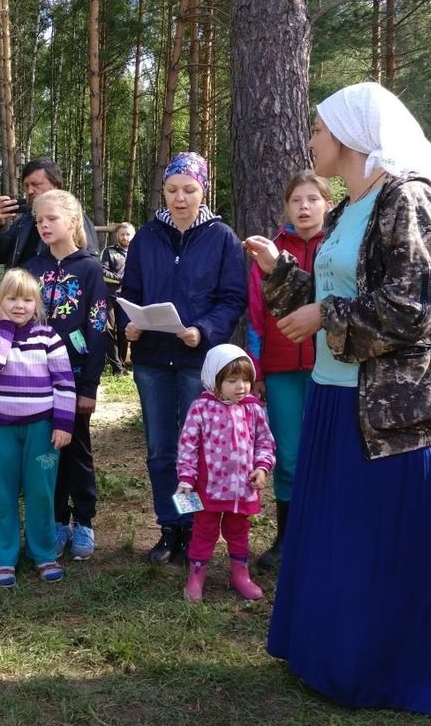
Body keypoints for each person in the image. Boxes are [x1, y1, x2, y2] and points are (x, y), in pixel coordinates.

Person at [246, 82, 431, 717]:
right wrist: (280, 272)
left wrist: (326, 314)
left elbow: (419, 305)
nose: (311, 139)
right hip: (335, 399)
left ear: (350, 135)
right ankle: (353, 657)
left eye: (318, 129)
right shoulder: (351, 207)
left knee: (404, 546)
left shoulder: (410, 199)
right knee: (347, 543)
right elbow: (332, 293)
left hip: (389, 414)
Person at [118, 151, 247, 564]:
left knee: (195, 450)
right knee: (160, 449)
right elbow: (130, 292)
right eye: (172, 189)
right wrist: (130, 324)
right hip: (152, 359)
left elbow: (233, 298)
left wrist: (203, 331)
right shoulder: (146, 237)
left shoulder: (221, 237)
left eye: (189, 190)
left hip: (197, 361)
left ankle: (194, 528)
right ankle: (169, 527)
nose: (179, 198)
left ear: (202, 190)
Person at [245, 170, 331, 572]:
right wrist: (258, 371)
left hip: (330, 368)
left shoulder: (337, 248)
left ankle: (326, 537)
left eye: (313, 199)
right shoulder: (270, 252)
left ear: (328, 204)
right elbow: (256, 316)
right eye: (296, 200)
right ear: (285, 207)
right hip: (280, 370)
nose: (304, 207)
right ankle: (287, 538)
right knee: (289, 455)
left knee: (329, 454)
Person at [0, 268, 76, 588]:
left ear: (37, 304)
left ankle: (43, 551)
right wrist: (4, 328)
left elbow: (64, 383)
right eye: (12, 299)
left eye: (27, 300)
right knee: (2, 493)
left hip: (41, 430)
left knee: (41, 491)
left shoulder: (49, 337)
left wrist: (63, 424)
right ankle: (5, 557)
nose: (20, 305)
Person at [23, 190, 108, 561]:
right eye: (39, 220)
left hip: (74, 380)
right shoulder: (31, 269)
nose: (44, 225)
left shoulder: (90, 269)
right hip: (37, 380)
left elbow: (98, 328)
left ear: (72, 221)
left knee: (77, 451)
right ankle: (57, 520)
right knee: (48, 451)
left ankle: (84, 521)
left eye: (51, 218)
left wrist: (89, 386)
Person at [175, 344, 275, 603]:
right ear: (214, 379)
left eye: (246, 380)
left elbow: (265, 442)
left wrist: (262, 467)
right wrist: (186, 478)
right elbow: (188, 445)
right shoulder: (201, 408)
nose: (241, 386)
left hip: (242, 489)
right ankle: (196, 577)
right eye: (232, 380)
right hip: (208, 489)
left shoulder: (253, 408)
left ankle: (240, 575)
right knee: (204, 531)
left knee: (239, 531)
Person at [0, 158, 100, 268]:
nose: (29, 191)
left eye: (35, 184)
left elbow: (89, 265)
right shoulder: (24, 221)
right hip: (18, 282)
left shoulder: (74, 220)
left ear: (55, 186)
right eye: (26, 186)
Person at [101, 222, 135, 375]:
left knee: (124, 330)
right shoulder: (109, 251)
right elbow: (103, 272)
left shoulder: (138, 253)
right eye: (122, 234)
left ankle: (122, 364)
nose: (125, 237)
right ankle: (116, 368)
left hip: (128, 298)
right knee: (109, 329)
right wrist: (122, 279)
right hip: (109, 295)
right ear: (117, 235)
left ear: (133, 236)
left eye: (128, 234)